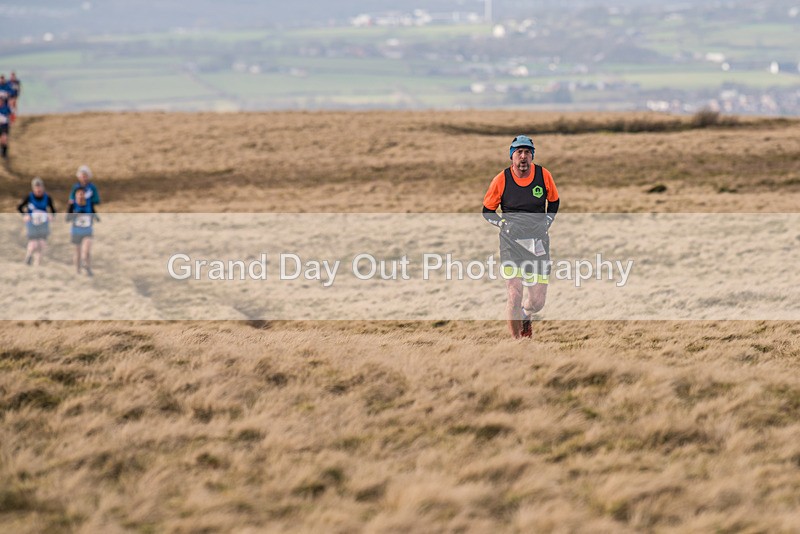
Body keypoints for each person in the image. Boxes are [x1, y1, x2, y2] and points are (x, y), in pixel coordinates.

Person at [482, 135, 560, 338]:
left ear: (532, 156)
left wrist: (548, 222)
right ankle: (518, 343)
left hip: (538, 242)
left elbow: (554, 202)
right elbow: (487, 211)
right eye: (519, 152)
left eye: (527, 152)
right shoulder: (501, 179)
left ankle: (526, 314)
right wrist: (502, 224)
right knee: (514, 294)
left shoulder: (543, 175)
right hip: (511, 244)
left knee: (537, 302)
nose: (523, 157)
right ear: (512, 156)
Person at [17, 177, 56, 266]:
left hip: (43, 223)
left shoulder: (47, 198)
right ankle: (29, 257)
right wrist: (25, 215)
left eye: (40, 187)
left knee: (42, 244)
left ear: (43, 188)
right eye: (36, 187)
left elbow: (53, 210)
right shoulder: (29, 197)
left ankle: (37, 264)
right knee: (34, 243)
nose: (38, 189)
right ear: (33, 188)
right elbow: (19, 207)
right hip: (32, 223)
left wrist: (51, 216)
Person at [66, 187, 99, 276]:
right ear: (76, 195)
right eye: (79, 194)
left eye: (82, 194)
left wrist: (95, 218)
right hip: (76, 231)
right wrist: (75, 214)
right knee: (78, 252)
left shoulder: (89, 204)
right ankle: (77, 271)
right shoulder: (72, 205)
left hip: (87, 230)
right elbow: (67, 219)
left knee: (87, 250)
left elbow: (94, 214)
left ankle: (87, 266)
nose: (81, 196)